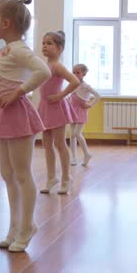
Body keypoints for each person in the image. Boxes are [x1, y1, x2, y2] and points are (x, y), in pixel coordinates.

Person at [0, 0, 51, 252]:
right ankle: (14, 228)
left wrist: (20, 91)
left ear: (6, 23)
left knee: (22, 174)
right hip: (4, 113)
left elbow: (42, 70)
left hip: (18, 114)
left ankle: (27, 226)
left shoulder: (19, 50)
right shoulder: (7, 50)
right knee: (7, 173)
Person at [38, 31, 80, 195]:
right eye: (43, 43)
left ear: (59, 48)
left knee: (60, 144)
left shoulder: (57, 66)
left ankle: (66, 178)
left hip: (56, 108)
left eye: (49, 43)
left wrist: (61, 95)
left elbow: (75, 81)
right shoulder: (45, 65)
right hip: (45, 107)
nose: (44, 46)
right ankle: (51, 178)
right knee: (46, 144)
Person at [68, 64, 100, 167]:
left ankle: (86, 154)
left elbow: (98, 95)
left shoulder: (85, 86)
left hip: (81, 111)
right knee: (72, 135)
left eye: (77, 73)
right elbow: (70, 96)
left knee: (77, 133)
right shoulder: (72, 84)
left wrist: (90, 105)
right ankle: (73, 158)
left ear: (84, 74)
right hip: (72, 110)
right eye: (73, 72)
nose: (75, 74)